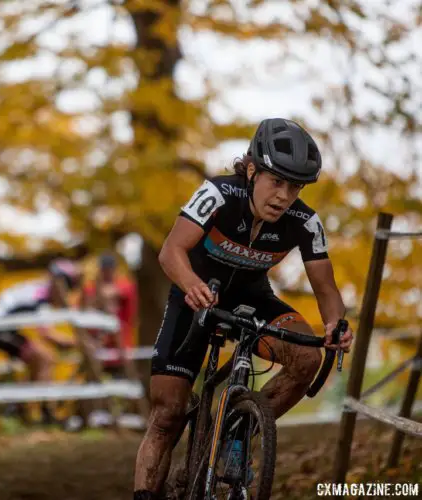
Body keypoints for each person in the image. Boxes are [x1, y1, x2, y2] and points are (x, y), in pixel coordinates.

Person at [133, 118, 354, 499]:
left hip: (253, 297)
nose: (284, 195)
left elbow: (325, 285)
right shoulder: (218, 194)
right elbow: (171, 251)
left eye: (295, 185)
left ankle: (236, 429)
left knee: (305, 358)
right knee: (168, 413)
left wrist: (336, 322)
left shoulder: (305, 221)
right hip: (194, 293)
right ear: (251, 170)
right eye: (277, 181)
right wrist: (192, 286)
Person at [0, 259, 80, 421]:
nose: (67, 294)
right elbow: (48, 334)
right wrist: (77, 342)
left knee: (39, 361)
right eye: (67, 287)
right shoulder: (41, 295)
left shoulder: (41, 292)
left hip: (5, 329)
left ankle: (19, 408)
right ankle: (43, 410)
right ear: (58, 283)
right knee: (45, 358)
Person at [82, 252, 138, 378]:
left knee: (126, 385)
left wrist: (97, 292)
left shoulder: (125, 285)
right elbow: (84, 308)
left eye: (109, 269)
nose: (107, 272)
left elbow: (110, 294)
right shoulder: (90, 288)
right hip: (98, 349)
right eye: (104, 269)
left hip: (121, 349)